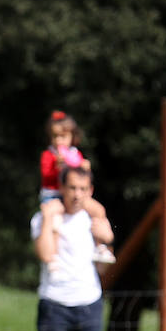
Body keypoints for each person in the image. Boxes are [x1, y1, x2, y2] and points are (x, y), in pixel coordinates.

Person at [31, 164, 113, 331]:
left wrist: (105, 238)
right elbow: (45, 254)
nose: (77, 194)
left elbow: (106, 250)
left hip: (88, 302)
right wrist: (46, 218)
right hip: (54, 302)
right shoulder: (43, 218)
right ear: (61, 189)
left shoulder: (93, 219)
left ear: (90, 191)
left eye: (82, 188)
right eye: (72, 187)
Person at [38, 110, 116, 269]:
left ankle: (100, 247)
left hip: (73, 196)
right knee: (56, 219)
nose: (59, 141)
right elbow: (47, 176)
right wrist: (57, 168)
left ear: (72, 137)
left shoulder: (75, 154)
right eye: (55, 136)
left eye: (63, 136)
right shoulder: (48, 155)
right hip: (53, 195)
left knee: (98, 210)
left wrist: (85, 168)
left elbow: (81, 177)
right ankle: (53, 257)